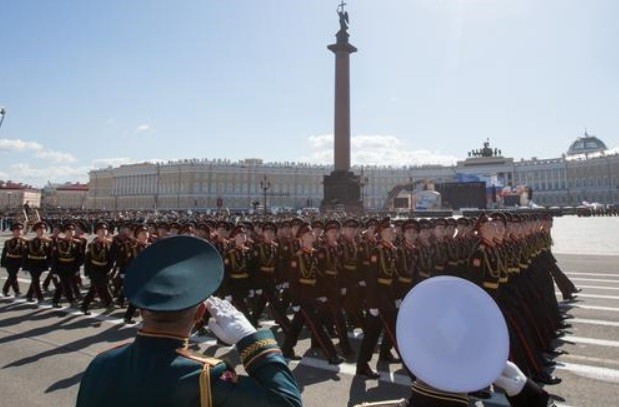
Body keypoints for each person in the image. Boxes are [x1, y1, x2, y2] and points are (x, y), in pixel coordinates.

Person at [76, 235, 302, 407]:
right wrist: (251, 340)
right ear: (199, 313)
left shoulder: (102, 364)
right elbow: (287, 402)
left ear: (143, 310)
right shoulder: (206, 378)